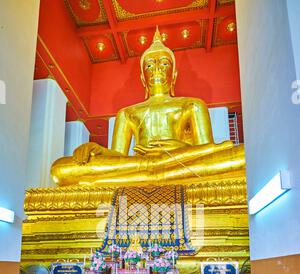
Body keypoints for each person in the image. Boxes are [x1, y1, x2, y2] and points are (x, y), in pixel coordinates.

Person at [51, 28, 245, 187]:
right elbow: (119, 157)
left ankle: (148, 173)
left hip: (180, 160)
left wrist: (180, 149)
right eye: (150, 65)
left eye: (164, 63)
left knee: (244, 155)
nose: (157, 69)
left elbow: (208, 152)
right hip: (139, 165)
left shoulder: (191, 105)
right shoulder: (127, 113)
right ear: (143, 77)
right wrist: (95, 149)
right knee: (60, 169)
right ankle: (156, 172)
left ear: (174, 75)